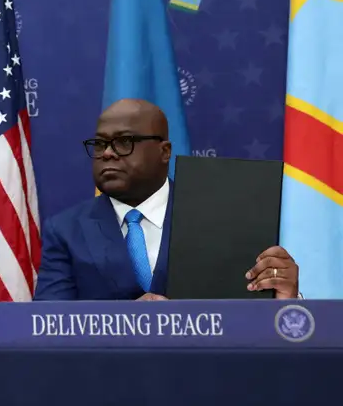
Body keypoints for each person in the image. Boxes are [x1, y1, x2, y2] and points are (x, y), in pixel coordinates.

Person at [34, 98, 300, 301]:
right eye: (101, 144)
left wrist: (284, 298)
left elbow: (253, 325)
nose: (108, 154)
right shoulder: (65, 230)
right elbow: (49, 324)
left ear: (164, 151)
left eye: (124, 141)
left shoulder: (225, 217)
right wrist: (129, 323)